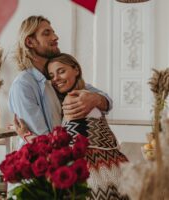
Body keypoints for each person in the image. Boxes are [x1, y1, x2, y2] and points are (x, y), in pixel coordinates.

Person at [9, 15, 112, 147]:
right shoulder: (24, 84)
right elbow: (43, 141)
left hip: (66, 159)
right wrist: (26, 135)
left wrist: (95, 99)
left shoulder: (58, 80)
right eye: (47, 33)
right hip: (42, 163)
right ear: (30, 42)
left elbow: (107, 101)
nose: (55, 37)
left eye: (53, 32)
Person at [44, 53, 129, 200]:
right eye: (51, 75)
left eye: (61, 71)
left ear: (76, 70)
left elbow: (65, 141)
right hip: (115, 166)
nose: (55, 79)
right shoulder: (87, 93)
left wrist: (25, 134)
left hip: (94, 174)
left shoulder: (74, 98)